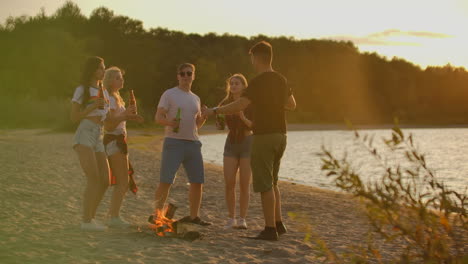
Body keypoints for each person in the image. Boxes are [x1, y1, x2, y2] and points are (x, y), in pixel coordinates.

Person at [203, 41, 296, 240]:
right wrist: (273, 102)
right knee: (273, 181)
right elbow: (292, 104)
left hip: (263, 136)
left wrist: (215, 111)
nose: (252, 62)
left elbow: (240, 104)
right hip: (281, 135)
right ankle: (279, 224)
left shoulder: (258, 81)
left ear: (256, 58)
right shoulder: (281, 79)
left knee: (264, 185)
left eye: (252, 58)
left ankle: (270, 229)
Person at [152, 63, 211, 225]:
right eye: (182, 74)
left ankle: (194, 217)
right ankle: (157, 216)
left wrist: (203, 118)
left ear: (193, 76)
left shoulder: (196, 98)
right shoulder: (169, 94)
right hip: (174, 142)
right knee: (166, 180)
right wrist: (170, 122)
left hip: (193, 143)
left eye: (189, 73)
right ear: (178, 76)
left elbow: (196, 125)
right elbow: (158, 118)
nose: (186, 76)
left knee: (197, 181)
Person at [70, 56, 110, 231]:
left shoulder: (105, 91)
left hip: (99, 135)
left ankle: (90, 218)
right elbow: (74, 117)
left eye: (104, 68)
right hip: (85, 133)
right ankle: (86, 221)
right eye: (101, 68)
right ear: (93, 70)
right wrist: (93, 107)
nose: (103, 71)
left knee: (105, 181)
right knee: (93, 178)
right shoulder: (82, 90)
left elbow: (107, 116)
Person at [103, 67, 144, 227]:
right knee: (122, 181)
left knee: (122, 180)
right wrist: (126, 114)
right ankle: (113, 217)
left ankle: (113, 215)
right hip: (114, 140)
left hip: (119, 140)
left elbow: (120, 119)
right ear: (110, 80)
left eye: (121, 78)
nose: (122, 80)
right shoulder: (110, 99)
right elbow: (110, 123)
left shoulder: (116, 97)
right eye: (118, 78)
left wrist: (131, 117)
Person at [218, 74, 253, 229]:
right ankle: (231, 218)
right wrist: (218, 121)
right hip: (231, 144)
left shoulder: (250, 103)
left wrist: (243, 117)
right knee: (229, 183)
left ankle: (242, 219)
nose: (233, 86)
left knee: (245, 184)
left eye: (237, 83)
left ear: (244, 86)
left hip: (247, 143)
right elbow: (220, 125)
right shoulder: (225, 103)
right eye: (231, 83)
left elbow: (254, 126)